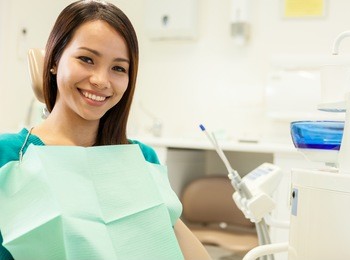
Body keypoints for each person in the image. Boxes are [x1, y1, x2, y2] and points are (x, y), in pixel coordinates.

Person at [0, 1, 211, 259]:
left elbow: (178, 242)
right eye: (86, 59)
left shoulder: (140, 158)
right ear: (54, 61)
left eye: (118, 68)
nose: (101, 80)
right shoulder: (8, 155)